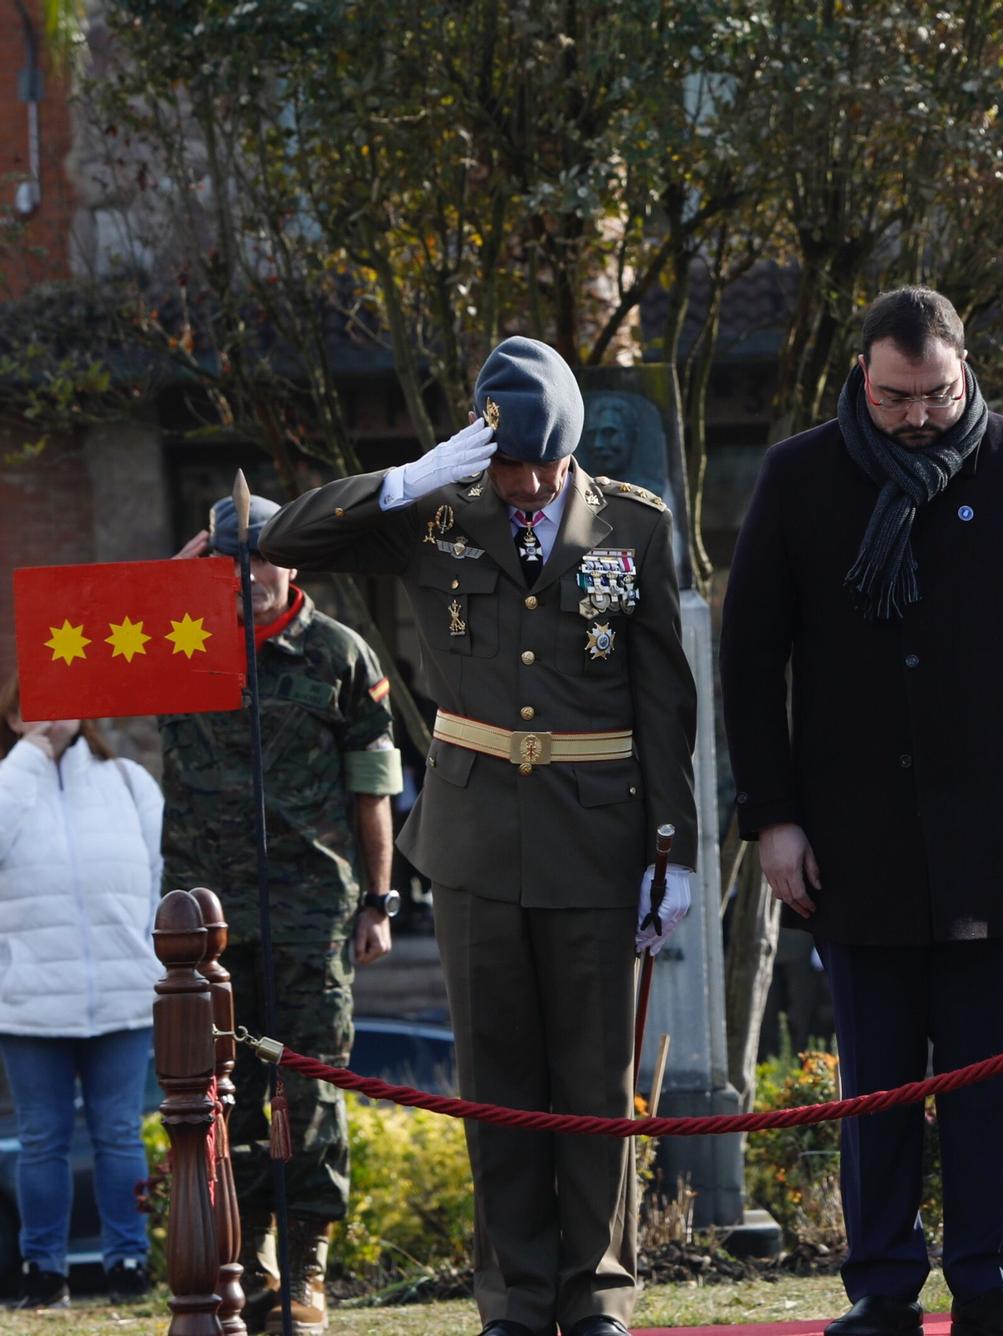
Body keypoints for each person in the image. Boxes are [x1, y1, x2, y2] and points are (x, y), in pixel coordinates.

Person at [260, 335, 698, 1336]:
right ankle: (513, 1298)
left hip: (595, 834)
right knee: (497, 1079)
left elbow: (664, 697)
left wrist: (671, 850)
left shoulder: (630, 525)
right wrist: (404, 480)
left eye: (546, 463)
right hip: (472, 837)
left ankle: (594, 1296)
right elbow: (283, 538)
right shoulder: (434, 512)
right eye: (510, 465)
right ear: (479, 448)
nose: (530, 484)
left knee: (594, 1080)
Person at [721, 287, 1003, 1336]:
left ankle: (990, 1277)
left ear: (962, 369)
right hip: (851, 839)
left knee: (991, 1074)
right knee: (879, 1081)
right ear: (862, 375)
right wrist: (773, 816)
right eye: (896, 396)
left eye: (936, 393)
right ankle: (882, 1284)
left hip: (999, 838)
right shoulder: (799, 476)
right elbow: (751, 660)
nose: (917, 416)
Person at [161, 493, 404, 1334]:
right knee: (217, 1098)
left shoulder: (336, 654)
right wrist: (163, 592)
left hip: (313, 909)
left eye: (264, 557)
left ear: (293, 561)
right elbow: (94, 664)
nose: (250, 576)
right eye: (232, 559)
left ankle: (306, 1271)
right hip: (207, 921)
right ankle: (246, 1260)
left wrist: (379, 900)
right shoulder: (177, 646)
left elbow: (374, 789)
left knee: (310, 1093)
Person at [0, 678, 161, 1309]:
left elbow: (153, 881)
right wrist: (30, 757)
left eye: (57, 701)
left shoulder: (128, 782)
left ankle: (129, 1263)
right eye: (30, 707)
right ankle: (44, 1270)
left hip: (122, 995)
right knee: (43, 1138)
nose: (47, 716)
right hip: (30, 1001)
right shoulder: (11, 781)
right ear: (12, 719)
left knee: (120, 1133)